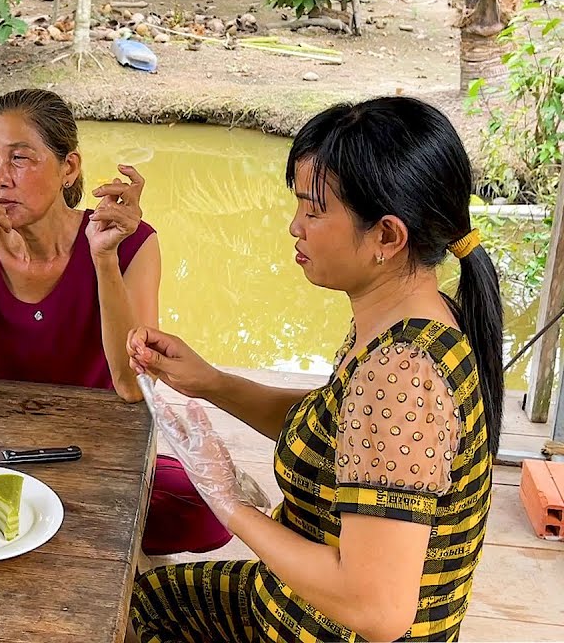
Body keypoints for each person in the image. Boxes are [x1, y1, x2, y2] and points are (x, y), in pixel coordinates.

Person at [126, 96, 502, 642]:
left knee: (123, 613)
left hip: (325, 626)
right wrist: (210, 382)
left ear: (387, 237)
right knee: (146, 601)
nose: (294, 227)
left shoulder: (401, 378)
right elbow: (332, 435)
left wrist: (228, 503)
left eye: (314, 210)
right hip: (289, 605)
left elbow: (376, 609)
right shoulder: (405, 320)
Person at [0, 88, 230, 556]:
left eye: (21, 158)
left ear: (68, 167)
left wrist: (104, 258)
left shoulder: (130, 242)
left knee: (210, 511)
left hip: (93, 449)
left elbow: (131, 386)